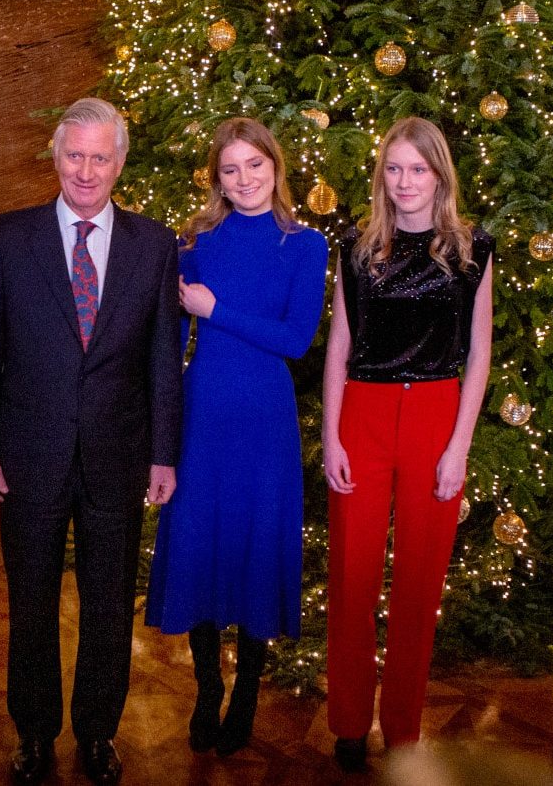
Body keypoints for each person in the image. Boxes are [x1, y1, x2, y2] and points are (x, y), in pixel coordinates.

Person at [0, 96, 182, 786]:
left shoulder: (155, 244)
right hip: (27, 455)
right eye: (73, 155)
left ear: (119, 163)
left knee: (109, 605)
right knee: (28, 602)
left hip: (119, 456)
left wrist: (164, 453)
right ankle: (33, 733)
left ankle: (96, 732)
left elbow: (160, 361)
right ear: (55, 158)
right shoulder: (8, 237)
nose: (85, 171)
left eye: (100, 157)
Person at [144, 117, 327, 756]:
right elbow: (166, 336)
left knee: (252, 541)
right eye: (230, 169)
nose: (244, 179)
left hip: (265, 415)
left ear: (276, 168)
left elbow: (296, 339)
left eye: (255, 165)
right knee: (201, 540)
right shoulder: (195, 241)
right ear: (216, 178)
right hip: (204, 412)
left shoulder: (305, 245)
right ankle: (204, 689)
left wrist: (215, 309)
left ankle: (246, 688)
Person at [321, 116, 494, 771]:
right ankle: (346, 722)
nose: (404, 181)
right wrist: (332, 435)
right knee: (353, 578)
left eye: (417, 169)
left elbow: (479, 353)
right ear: (381, 176)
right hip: (362, 415)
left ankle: (402, 729)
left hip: (435, 416)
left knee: (418, 585)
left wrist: (459, 446)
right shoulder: (360, 248)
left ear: (439, 175)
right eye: (394, 168)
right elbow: (339, 345)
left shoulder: (472, 249)